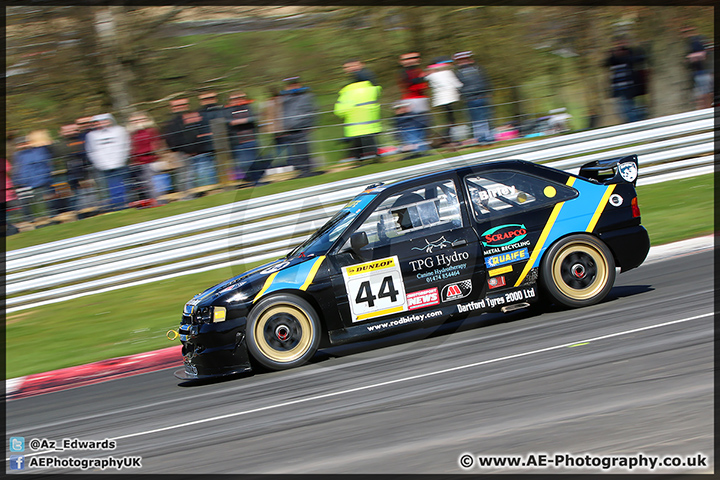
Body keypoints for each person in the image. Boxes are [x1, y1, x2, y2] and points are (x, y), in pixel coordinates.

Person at [334, 60, 383, 163]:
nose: (348, 69)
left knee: (363, 142)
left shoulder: (360, 77)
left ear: (360, 65)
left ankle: (362, 159)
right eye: (346, 68)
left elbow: (342, 108)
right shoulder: (365, 76)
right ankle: (366, 158)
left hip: (359, 120)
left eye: (350, 66)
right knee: (366, 142)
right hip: (369, 119)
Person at [85, 113, 131, 211]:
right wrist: (100, 164)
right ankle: (117, 206)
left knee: (123, 185)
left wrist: (121, 160)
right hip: (103, 166)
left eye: (104, 120)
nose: (101, 124)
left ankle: (123, 205)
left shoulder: (120, 130)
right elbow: (91, 151)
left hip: (120, 163)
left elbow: (125, 146)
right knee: (108, 188)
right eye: (97, 122)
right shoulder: (91, 135)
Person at [279, 76, 320, 178]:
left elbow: (312, 110)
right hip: (290, 129)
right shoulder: (283, 98)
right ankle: (302, 171)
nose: (293, 87)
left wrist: (311, 124)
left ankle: (307, 170)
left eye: (295, 84)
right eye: (290, 85)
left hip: (302, 128)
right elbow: (281, 113)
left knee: (304, 150)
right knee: (295, 152)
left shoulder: (306, 96)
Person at [11, 134, 56, 222]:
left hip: (40, 182)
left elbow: (45, 165)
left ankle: (52, 219)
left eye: (24, 143)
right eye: (20, 144)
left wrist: (44, 178)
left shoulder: (38, 151)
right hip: (23, 184)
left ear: (28, 143)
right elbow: (16, 170)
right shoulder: (16, 156)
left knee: (47, 205)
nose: (22, 146)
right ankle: (31, 221)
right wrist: (16, 182)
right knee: (26, 206)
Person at [453, 50, 494, 145]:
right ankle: (485, 137)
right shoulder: (478, 69)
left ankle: (483, 138)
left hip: (474, 97)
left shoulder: (458, 73)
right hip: (476, 96)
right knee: (482, 118)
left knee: (479, 119)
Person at [226, 91, 263, 183]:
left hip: (252, 140)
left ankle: (257, 181)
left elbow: (255, 118)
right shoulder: (227, 110)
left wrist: (242, 121)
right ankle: (251, 181)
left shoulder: (248, 107)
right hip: (238, 143)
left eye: (241, 97)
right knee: (244, 164)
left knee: (256, 162)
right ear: (230, 100)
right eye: (235, 98)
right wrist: (245, 120)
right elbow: (229, 122)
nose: (239, 100)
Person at [605, 36, 643, 123]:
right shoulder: (613, 58)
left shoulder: (629, 54)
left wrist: (622, 53)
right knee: (623, 112)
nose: (620, 46)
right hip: (618, 89)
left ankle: (636, 126)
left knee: (631, 111)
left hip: (629, 88)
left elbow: (636, 59)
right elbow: (608, 62)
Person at [425, 56, 463, 144]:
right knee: (451, 120)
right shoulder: (447, 73)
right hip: (451, 98)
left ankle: (445, 139)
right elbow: (457, 84)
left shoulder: (431, 76)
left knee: (446, 120)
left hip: (439, 101)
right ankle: (451, 139)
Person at [127, 111, 162, 206]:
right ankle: (147, 203)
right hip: (137, 164)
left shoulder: (151, 130)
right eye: (134, 120)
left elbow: (156, 145)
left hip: (151, 161)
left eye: (140, 119)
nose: (138, 122)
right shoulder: (131, 133)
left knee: (153, 184)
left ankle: (157, 201)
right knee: (142, 186)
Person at [162, 98, 193, 196]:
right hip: (181, 155)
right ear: (172, 108)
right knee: (184, 179)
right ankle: (187, 197)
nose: (180, 108)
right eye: (177, 106)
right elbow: (170, 139)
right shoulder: (171, 123)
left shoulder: (193, 117)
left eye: (182, 104)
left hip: (199, 153)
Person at [182, 109, 218, 188]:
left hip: (204, 155)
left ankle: (210, 190)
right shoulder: (187, 129)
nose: (189, 120)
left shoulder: (203, 126)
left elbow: (206, 139)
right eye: (186, 118)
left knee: (205, 177)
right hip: (192, 157)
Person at [682, 26, 713, 110]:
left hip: (702, 72)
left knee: (703, 95)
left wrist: (688, 58)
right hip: (699, 73)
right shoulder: (694, 41)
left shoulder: (696, 42)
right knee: (704, 94)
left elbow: (703, 55)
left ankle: (706, 110)